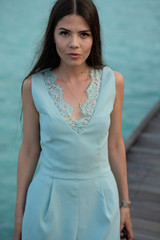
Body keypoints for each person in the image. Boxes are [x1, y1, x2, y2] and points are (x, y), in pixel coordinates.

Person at [13, 0, 134, 239]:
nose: (74, 44)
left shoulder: (113, 81)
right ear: (52, 36)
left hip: (101, 202)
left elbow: (115, 144)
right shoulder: (33, 85)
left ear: (94, 37)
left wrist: (125, 205)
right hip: (47, 203)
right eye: (65, 33)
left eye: (84, 34)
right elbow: (28, 150)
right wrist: (19, 216)